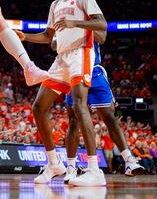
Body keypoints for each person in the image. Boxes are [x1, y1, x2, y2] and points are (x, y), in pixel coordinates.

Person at [15, 0, 107, 186]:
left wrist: (74, 22)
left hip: (80, 54)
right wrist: (26, 37)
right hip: (62, 58)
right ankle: (54, 163)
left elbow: (102, 23)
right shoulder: (55, 4)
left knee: (78, 104)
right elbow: (48, 36)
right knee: (39, 106)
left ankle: (95, 170)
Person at [60, 37, 143, 182]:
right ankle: (71, 168)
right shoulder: (64, 19)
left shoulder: (90, 15)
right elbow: (55, 43)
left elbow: (102, 34)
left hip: (94, 70)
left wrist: (77, 26)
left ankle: (128, 159)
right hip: (73, 71)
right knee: (73, 121)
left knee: (110, 117)